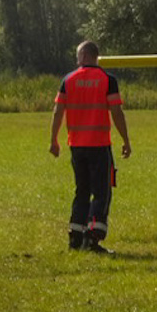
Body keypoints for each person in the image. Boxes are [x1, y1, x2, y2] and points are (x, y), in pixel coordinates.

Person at [49, 41, 131, 252]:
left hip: (76, 145)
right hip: (99, 144)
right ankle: (93, 238)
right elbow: (117, 112)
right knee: (102, 193)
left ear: (84, 55)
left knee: (82, 191)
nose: (77, 60)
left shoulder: (68, 80)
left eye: (78, 56)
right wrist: (126, 140)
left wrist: (54, 140)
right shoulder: (107, 80)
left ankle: (75, 237)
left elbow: (58, 112)